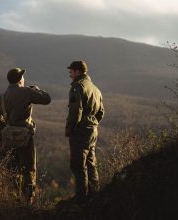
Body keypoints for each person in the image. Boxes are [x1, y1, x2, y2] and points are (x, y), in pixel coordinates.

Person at [0, 67, 51, 204]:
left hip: (7, 139)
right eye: (22, 77)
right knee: (28, 168)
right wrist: (36, 89)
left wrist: (5, 130)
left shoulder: (2, 96)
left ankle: (14, 200)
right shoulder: (27, 92)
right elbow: (47, 99)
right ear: (20, 80)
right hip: (25, 138)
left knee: (11, 169)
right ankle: (28, 201)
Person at [65, 60, 104, 204]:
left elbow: (75, 111)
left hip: (80, 131)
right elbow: (101, 112)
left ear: (77, 71)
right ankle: (95, 194)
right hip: (92, 131)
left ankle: (82, 198)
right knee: (91, 162)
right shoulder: (96, 89)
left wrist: (71, 129)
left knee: (78, 164)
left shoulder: (78, 87)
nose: (70, 75)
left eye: (71, 72)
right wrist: (92, 124)